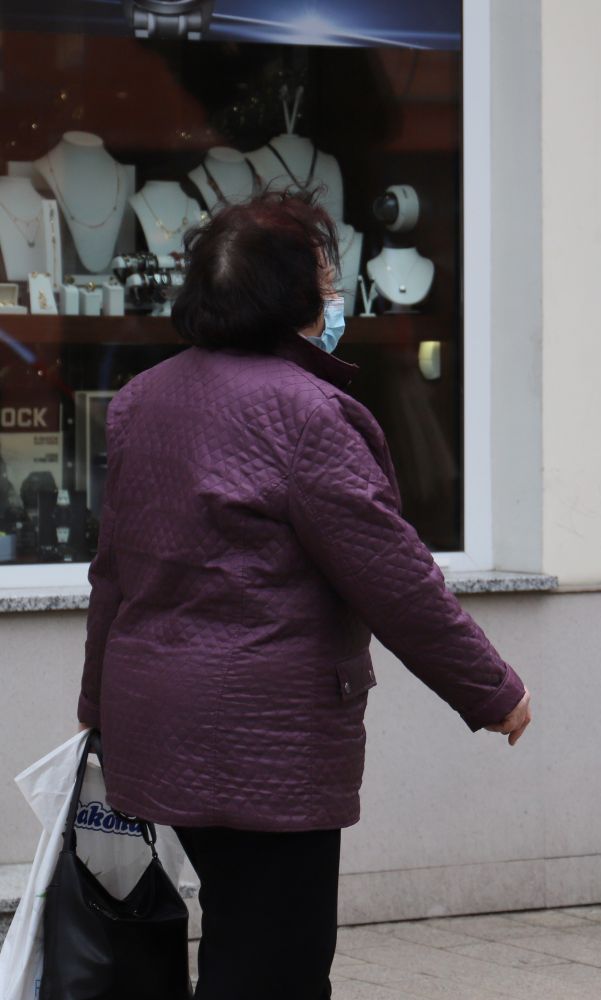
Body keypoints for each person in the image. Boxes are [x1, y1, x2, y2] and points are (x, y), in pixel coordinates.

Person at [77, 190, 532, 1000]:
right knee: (274, 966)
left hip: (155, 718)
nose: (335, 295)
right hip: (264, 740)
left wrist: (96, 703)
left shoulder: (144, 400)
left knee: (240, 938)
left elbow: (113, 566)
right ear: (287, 298)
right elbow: (392, 574)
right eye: (326, 277)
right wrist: (491, 690)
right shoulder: (309, 414)